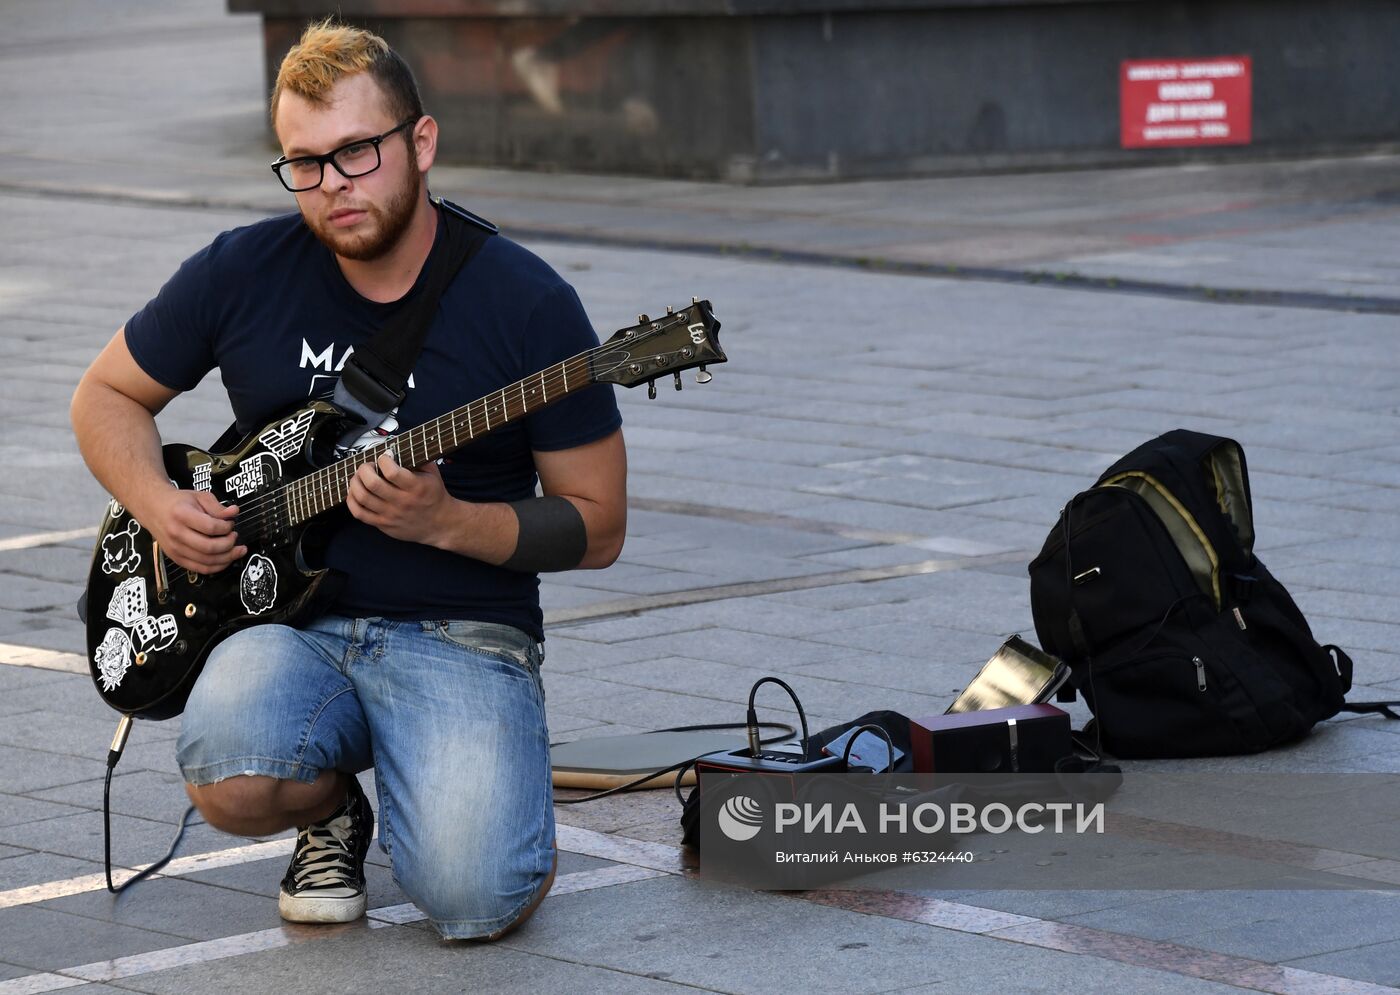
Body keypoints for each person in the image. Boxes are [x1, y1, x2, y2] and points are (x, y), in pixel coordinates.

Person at [69, 19, 627, 941]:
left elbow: (599, 526)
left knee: (475, 897)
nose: (333, 186)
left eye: (358, 153)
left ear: (421, 141)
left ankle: (466, 778)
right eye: (305, 163)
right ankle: (331, 806)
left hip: (461, 632)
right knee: (229, 766)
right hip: (286, 625)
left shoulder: (527, 303)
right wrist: (162, 506)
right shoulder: (242, 268)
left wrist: (450, 522)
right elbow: (106, 396)